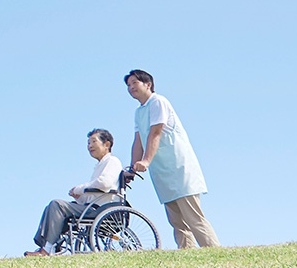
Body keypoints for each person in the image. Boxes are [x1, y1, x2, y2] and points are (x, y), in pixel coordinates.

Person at [125, 69, 220, 248]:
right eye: (128, 85)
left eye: (134, 83)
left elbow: (155, 133)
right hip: (161, 171)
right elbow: (138, 141)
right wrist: (132, 168)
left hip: (179, 167)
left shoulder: (158, 101)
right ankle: (188, 256)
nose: (131, 88)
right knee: (177, 222)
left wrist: (145, 161)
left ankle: (216, 253)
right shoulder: (139, 112)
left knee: (194, 218)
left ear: (148, 84)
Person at [24, 129, 125, 256]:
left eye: (94, 142)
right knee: (52, 208)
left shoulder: (112, 161)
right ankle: (50, 246)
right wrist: (79, 197)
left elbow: (104, 184)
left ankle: (46, 250)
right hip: (93, 206)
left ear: (107, 144)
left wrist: (80, 189)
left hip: (102, 209)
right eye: (88, 143)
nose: (90, 146)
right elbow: (95, 193)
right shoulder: (100, 166)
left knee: (57, 205)